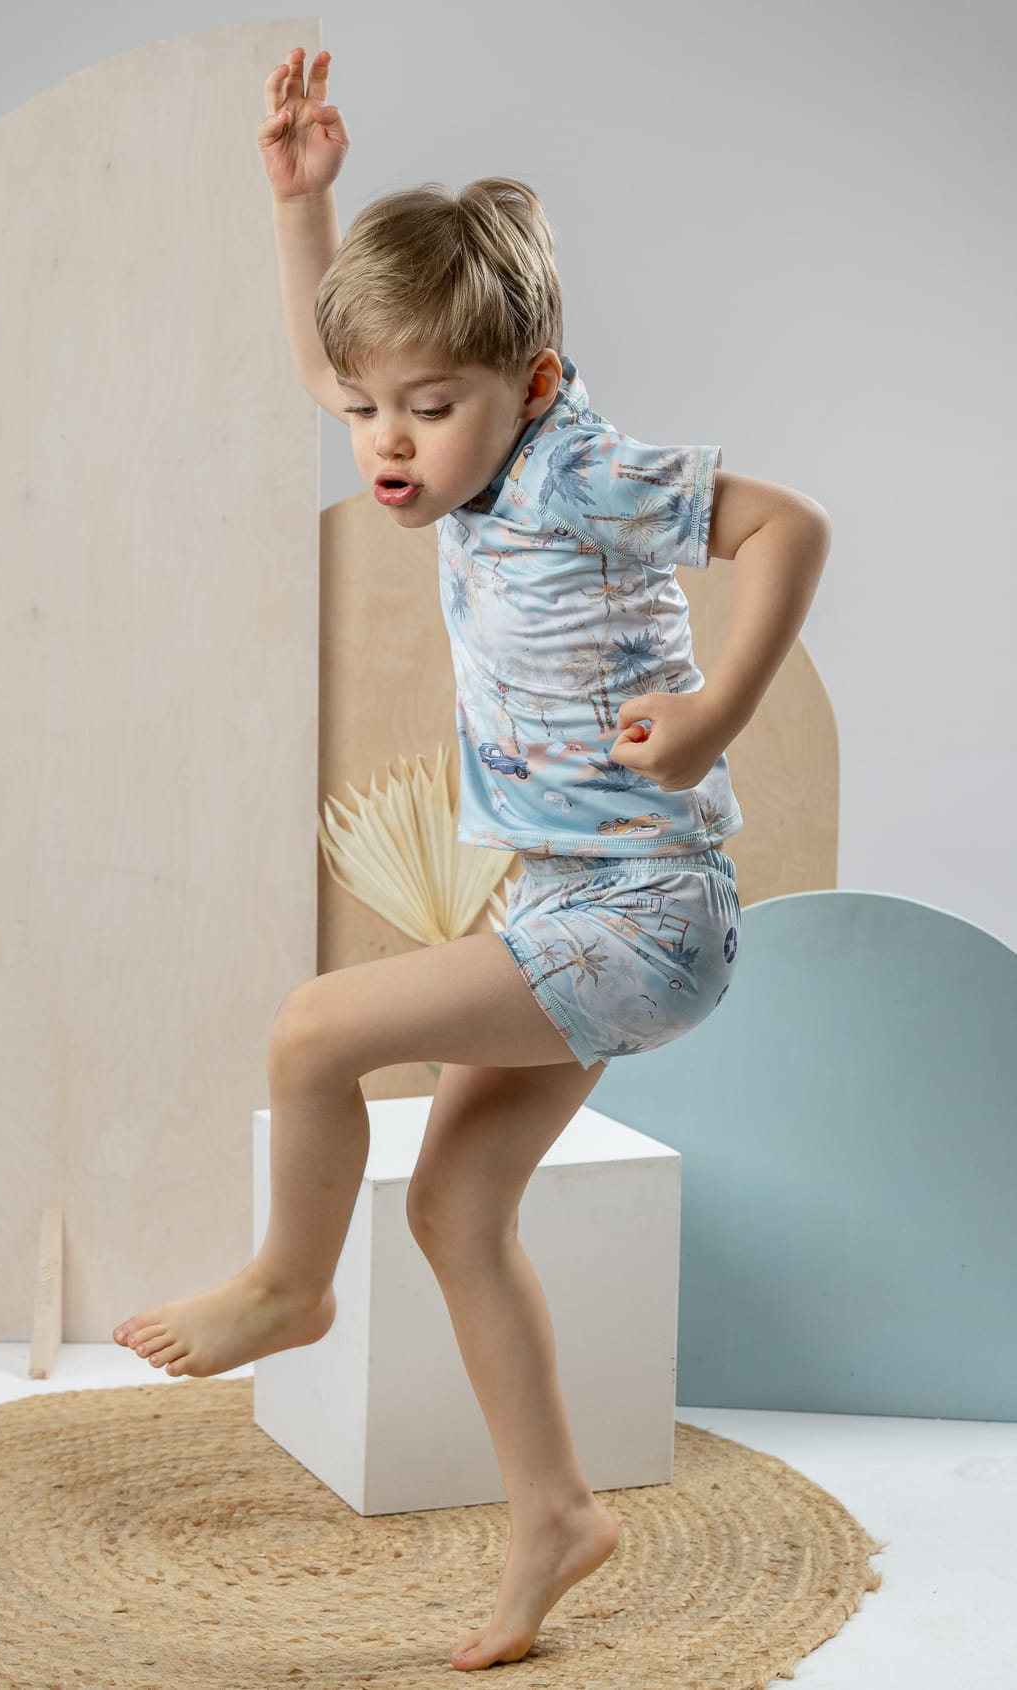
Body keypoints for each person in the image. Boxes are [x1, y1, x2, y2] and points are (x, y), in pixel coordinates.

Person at [113, 43, 832, 1672]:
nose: (385, 443)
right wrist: (300, 205)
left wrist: (715, 713)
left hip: (648, 916)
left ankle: (291, 1285)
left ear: (536, 383)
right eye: (370, 409)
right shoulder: (433, 444)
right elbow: (335, 364)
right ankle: (556, 1514)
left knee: (313, 1027)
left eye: (430, 410)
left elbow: (790, 524)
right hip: (572, 905)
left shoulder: (585, 471)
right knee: (453, 1205)